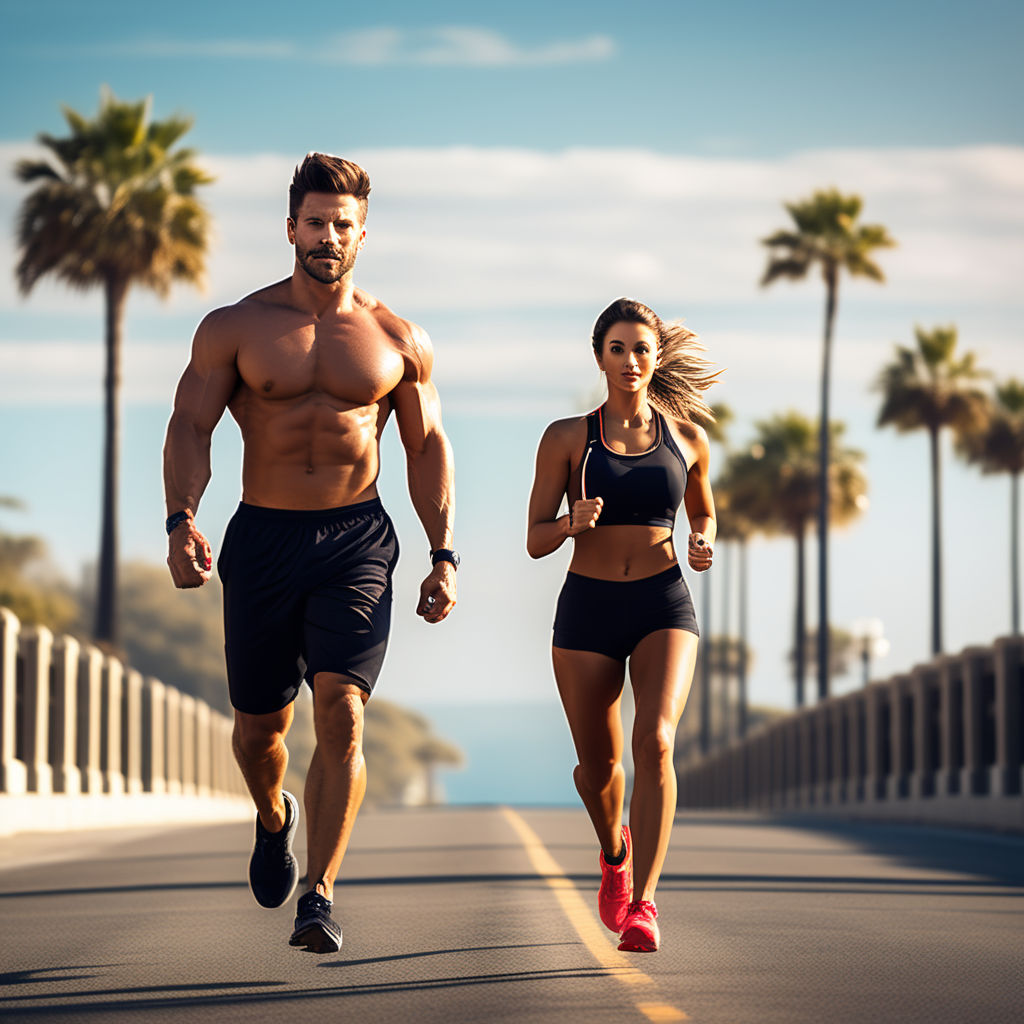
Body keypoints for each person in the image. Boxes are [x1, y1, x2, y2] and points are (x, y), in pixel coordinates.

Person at [163, 152, 458, 955]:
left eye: (344, 226)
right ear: (290, 227)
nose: (329, 237)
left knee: (343, 714)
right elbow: (192, 424)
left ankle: (320, 894)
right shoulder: (236, 327)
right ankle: (272, 816)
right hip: (261, 539)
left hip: (356, 541)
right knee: (261, 731)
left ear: (363, 235)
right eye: (316, 223)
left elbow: (426, 445)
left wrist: (443, 551)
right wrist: (181, 519)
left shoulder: (397, 336)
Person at [526, 298, 717, 953]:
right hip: (588, 609)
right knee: (597, 767)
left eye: (642, 348)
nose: (631, 361)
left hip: (664, 604)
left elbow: (705, 513)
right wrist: (570, 523)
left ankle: (644, 904)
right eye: (618, 349)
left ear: (656, 356)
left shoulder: (688, 439)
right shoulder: (566, 438)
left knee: (656, 743)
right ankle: (614, 850)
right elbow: (534, 539)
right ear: (599, 355)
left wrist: (702, 542)